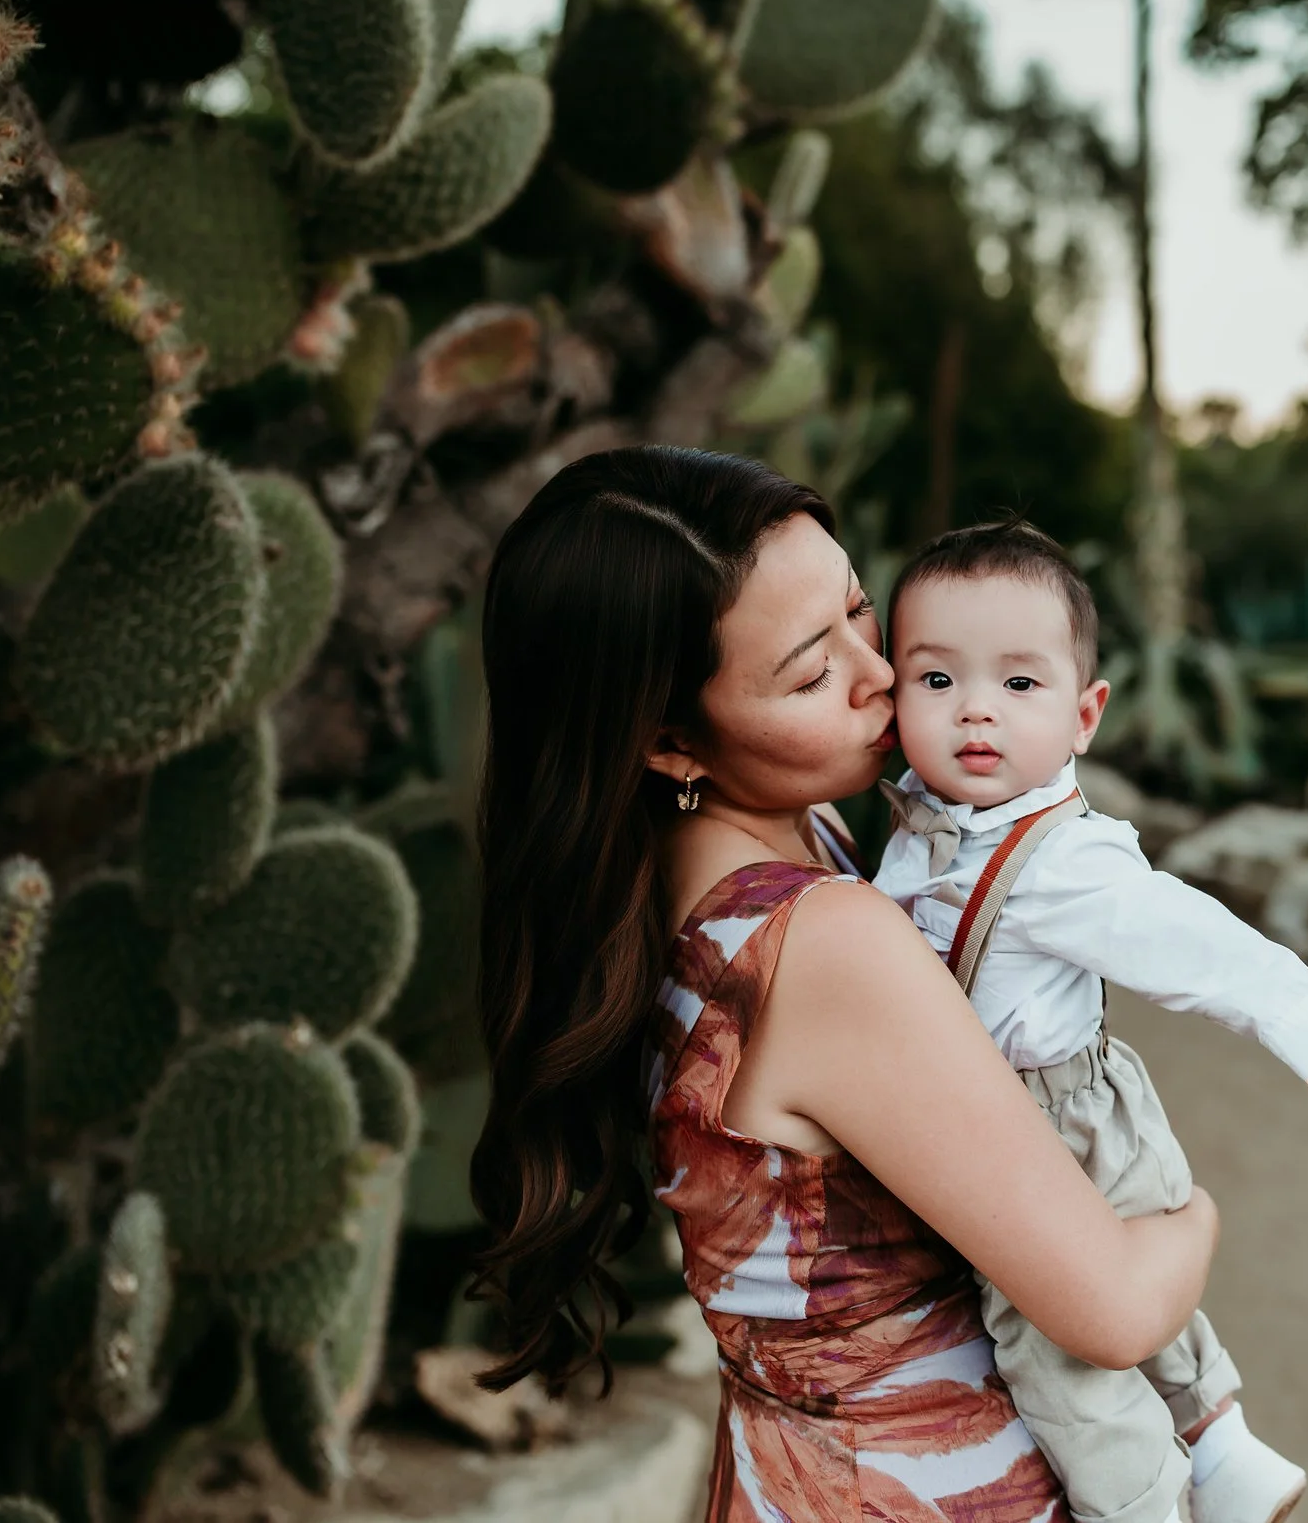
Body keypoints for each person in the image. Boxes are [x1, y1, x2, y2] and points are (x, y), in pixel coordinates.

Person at [462, 447, 1220, 1522]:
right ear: (673, 742)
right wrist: (1195, 1216)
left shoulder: (681, 871)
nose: (881, 674)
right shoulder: (819, 942)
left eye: (863, 612)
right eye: (813, 671)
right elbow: (1113, 1307)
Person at [873, 520, 1308, 1523]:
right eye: (937, 680)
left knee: (1051, 1349)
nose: (976, 713)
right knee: (1141, 1318)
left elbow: (1194, 944)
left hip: (1052, 1125)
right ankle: (1227, 1450)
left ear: (1086, 714)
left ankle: (1144, 1508)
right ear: (891, 694)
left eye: (1020, 684)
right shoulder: (914, 823)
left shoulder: (1063, 859)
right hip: (1022, 1115)